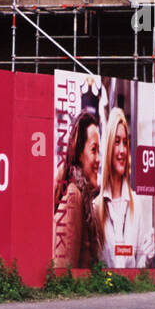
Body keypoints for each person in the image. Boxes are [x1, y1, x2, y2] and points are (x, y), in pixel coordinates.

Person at [95, 108, 155, 269]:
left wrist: (147, 257)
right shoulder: (96, 208)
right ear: (108, 147)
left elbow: (139, 266)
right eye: (116, 142)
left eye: (125, 142)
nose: (122, 150)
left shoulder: (136, 203)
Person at [52, 109, 102, 268]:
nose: (98, 159)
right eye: (94, 150)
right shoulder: (74, 197)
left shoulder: (82, 197)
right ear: (79, 153)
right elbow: (62, 271)